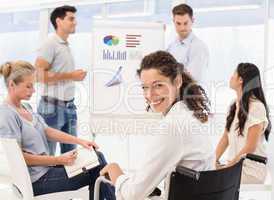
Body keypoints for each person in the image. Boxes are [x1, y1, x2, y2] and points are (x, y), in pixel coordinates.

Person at [100, 51, 215, 200]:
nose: (149, 95)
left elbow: (132, 195)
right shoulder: (189, 114)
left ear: (178, 81)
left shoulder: (173, 127)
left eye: (158, 85)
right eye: (144, 87)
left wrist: (116, 172)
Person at [0, 61, 115, 199]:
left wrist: (81, 141)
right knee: (96, 169)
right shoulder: (7, 114)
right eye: (28, 86)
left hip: (47, 171)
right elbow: (19, 158)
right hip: (38, 180)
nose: (33, 90)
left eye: (33, 86)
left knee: (97, 156)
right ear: (12, 85)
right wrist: (58, 159)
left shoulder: (26, 108)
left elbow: (47, 131)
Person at [35, 5, 87, 155]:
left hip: (69, 107)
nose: (75, 22)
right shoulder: (50, 43)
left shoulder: (64, 45)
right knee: (48, 155)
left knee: (71, 155)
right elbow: (38, 75)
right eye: (71, 19)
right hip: (51, 108)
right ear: (59, 21)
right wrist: (71, 76)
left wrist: (73, 76)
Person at [215, 63, 271, 184]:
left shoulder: (256, 107)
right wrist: (213, 160)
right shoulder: (233, 105)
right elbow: (225, 138)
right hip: (235, 167)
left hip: (251, 170)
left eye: (233, 74)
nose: (230, 77)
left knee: (214, 182)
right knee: (206, 174)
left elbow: (250, 147)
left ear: (241, 80)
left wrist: (229, 166)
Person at [167, 3, 209, 85]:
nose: (182, 28)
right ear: (173, 22)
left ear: (192, 21)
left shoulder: (198, 47)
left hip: (191, 94)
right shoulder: (171, 46)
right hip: (175, 93)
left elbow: (192, 78)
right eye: (178, 23)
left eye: (185, 23)